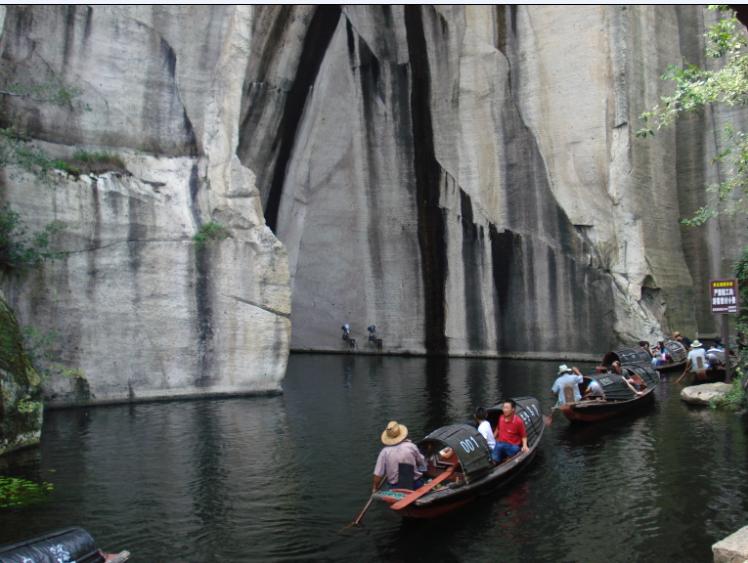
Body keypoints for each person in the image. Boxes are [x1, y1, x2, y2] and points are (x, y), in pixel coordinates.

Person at [372, 421, 426, 492]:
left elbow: (378, 474)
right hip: (414, 484)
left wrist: (375, 488)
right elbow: (422, 461)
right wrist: (420, 466)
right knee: (423, 470)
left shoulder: (384, 452)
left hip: (395, 487)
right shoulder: (411, 446)